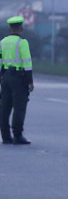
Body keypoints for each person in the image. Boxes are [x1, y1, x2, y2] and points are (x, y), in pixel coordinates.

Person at [0, 16, 34, 145]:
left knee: (5, 107)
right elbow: (27, 63)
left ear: (9, 29)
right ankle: (18, 135)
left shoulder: (2, 42)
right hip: (19, 78)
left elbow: (0, 60)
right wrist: (30, 81)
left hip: (5, 77)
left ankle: (5, 136)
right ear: (21, 28)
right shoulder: (22, 42)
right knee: (19, 106)